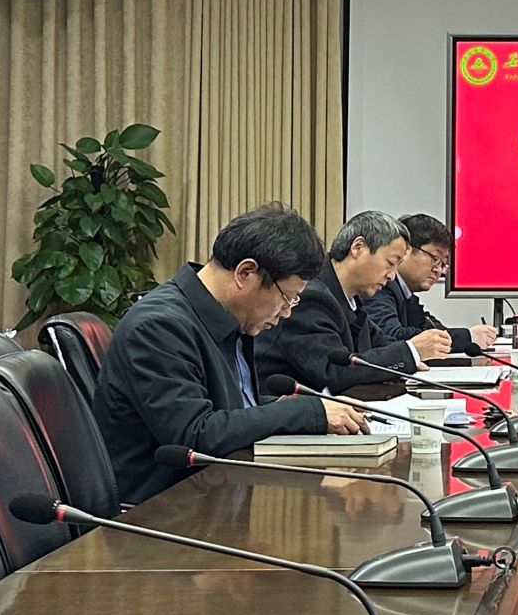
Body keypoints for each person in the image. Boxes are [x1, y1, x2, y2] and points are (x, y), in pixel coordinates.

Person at [95, 204, 367, 505]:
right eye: (287, 298)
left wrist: (291, 405)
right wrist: (308, 413)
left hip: (218, 494)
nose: (286, 313)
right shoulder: (159, 326)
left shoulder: (227, 319)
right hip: (164, 510)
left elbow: (228, 405)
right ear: (245, 273)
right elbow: (195, 435)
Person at [252, 210, 421, 394]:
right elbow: (334, 372)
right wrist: (410, 351)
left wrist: (413, 353)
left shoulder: (350, 298)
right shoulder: (311, 296)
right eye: (390, 263)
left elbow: (378, 344)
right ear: (358, 248)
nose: (392, 276)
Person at [362, 213, 498, 361]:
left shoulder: (406, 293)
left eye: (443, 264)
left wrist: (466, 337)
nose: (438, 270)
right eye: (434, 258)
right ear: (406, 250)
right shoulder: (380, 286)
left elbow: (429, 329)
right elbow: (391, 336)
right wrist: (468, 336)